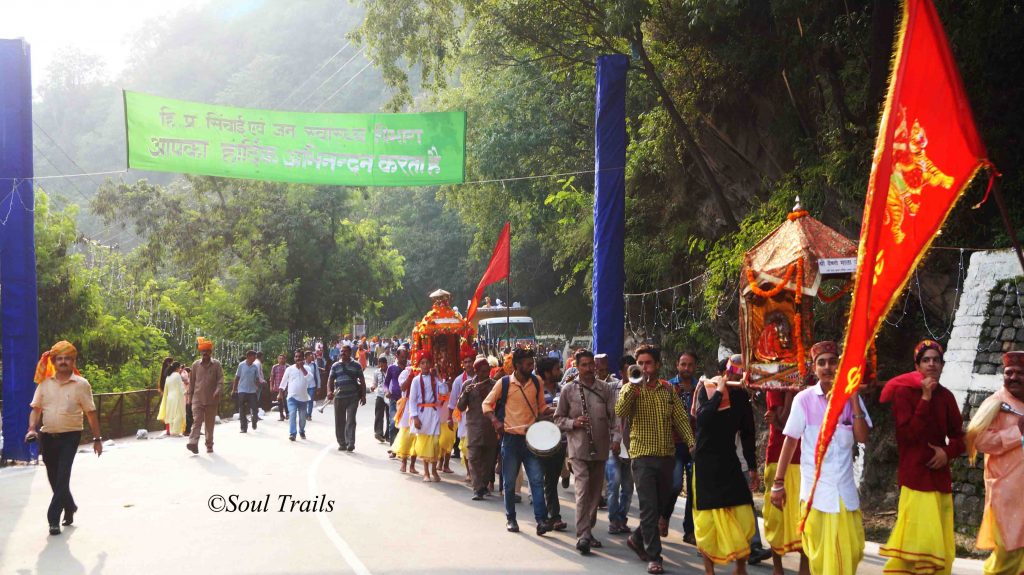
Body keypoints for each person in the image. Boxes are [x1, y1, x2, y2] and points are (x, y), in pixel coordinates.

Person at [770, 341, 871, 575]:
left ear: (840, 365)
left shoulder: (850, 399)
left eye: (833, 362)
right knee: (820, 560)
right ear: (814, 368)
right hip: (816, 496)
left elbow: (862, 437)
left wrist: (854, 399)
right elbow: (791, 441)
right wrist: (778, 483)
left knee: (853, 553)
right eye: (821, 363)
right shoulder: (803, 400)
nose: (827, 367)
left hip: (845, 496)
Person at [879, 340, 964, 575]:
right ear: (917, 366)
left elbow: (960, 438)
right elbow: (908, 436)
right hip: (915, 481)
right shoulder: (904, 394)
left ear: (942, 365)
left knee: (939, 552)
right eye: (926, 360)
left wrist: (946, 453)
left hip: (940, 482)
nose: (931, 364)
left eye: (936, 360)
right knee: (916, 550)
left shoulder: (947, 397)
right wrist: (925, 399)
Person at [616, 345, 696, 575]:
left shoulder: (668, 389)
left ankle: (637, 537)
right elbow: (620, 411)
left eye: (648, 363)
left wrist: (691, 442)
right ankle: (655, 557)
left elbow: (681, 418)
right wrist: (633, 386)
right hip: (641, 456)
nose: (643, 367)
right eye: (639, 363)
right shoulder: (630, 388)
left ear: (658, 365)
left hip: (666, 456)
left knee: (663, 503)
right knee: (649, 507)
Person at [26, 341, 103, 535]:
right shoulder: (44, 383)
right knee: (54, 478)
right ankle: (70, 506)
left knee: (63, 476)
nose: (63, 362)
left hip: (71, 436)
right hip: (47, 436)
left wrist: (97, 438)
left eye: (67, 358)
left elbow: (91, 413)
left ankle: (53, 518)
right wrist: (32, 428)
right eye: (59, 358)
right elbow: (36, 408)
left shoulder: (81, 384)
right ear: (53, 361)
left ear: (73, 361)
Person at [691, 371, 758, 574]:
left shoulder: (742, 398)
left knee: (743, 514)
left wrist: (753, 467)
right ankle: (709, 570)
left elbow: (748, 433)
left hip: (729, 461)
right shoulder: (708, 388)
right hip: (705, 465)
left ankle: (740, 568)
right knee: (707, 522)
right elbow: (704, 418)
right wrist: (719, 391)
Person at [482, 347, 553, 535]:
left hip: (531, 439)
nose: (532, 367)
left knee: (537, 480)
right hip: (511, 440)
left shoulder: (537, 382)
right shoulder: (504, 383)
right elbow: (486, 405)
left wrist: (555, 409)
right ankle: (511, 519)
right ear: (517, 365)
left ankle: (541, 520)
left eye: (532, 363)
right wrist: (495, 421)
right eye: (528, 364)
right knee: (509, 483)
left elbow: (541, 408)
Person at [965, 350, 1024, 575]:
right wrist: (1015, 432)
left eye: (1020, 373)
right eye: (1009, 372)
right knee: (1006, 557)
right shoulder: (996, 403)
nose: (1014, 377)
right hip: (1006, 496)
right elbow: (977, 439)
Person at [555, 350, 617, 555]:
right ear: (577, 367)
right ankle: (583, 535)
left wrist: (616, 440)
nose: (589, 369)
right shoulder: (568, 390)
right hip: (578, 448)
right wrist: (574, 423)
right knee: (582, 491)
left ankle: (587, 531)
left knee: (594, 494)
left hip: (600, 448)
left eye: (592, 365)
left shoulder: (606, 389)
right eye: (584, 365)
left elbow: (615, 418)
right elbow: (558, 419)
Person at [762, 383, 807, 575]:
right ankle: (777, 569)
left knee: (805, 515)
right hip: (778, 456)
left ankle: (805, 570)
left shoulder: (813, 386)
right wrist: (790, 390)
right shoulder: (775, 385)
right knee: (776, 517)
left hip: (806, 458)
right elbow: (784, 423)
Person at [667, 350, 699, 544]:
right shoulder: (669, 387)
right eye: (683, 364)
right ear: (677, 365)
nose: (686, 368)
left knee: (695, 489)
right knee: (675, 484)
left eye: (690, 365)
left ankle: (690, 531)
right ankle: (664, 516)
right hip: (675, 443)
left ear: (694, 367)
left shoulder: (701, 388)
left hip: (695, 444)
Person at [458, 357, 499, 500]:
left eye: (488, 371)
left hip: (490, 427)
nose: (486, 374)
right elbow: (460, 407)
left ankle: (484, 483)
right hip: (474, 426)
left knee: (489, 459)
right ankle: (477, 488)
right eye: (482, 372)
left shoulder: (494, 385)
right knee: (473, 457)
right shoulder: (467, 385)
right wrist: (465, 394)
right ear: (476, 371)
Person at [537, 355, 569, 532]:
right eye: (557, 369)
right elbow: (534, 413)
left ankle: (551, 515)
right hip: (541, 440)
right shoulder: (536, 390)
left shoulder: (563, 389)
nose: (560, 371)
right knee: (544, 479)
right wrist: (546, 414)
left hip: (561, 440)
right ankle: (552, 516)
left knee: (551, 479)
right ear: (547, 373)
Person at [607, 354, 636, 535]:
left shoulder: (642, 390)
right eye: (627, 369)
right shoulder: (611, 389)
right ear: (621, 371)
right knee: (613, 484)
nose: (631, 372)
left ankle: (622, 518)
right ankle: (613, 520)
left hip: (633, 445)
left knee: (628, 487)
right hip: (614, 443)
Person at [409, 352, 443, 482]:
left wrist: (439, 377)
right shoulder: (416, 380)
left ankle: (434, 469)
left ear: (431, 364)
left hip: (434, 413)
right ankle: (426, 472)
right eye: (422, 363)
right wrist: (415, 417)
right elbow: (412, 401)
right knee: (424, 443)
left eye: (427, 362)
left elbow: (444, 391)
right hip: (422, 414)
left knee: (434, 443)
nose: (425, 365)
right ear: (419, 364)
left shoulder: (435, 379)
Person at [187, 337, 224, 455]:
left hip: (212, 400)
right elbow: (191, 382)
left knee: (209, 424)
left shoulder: (216, 364)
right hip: (197, 398)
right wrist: (189, 397)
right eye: (203, 352)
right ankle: (193, 442)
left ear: (210, 353)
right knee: (196, 420)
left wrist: (218, 390)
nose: (205, 354)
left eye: (207, 352)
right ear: (200, 352)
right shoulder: (195, 365)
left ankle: (209, 444)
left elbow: (220, 380)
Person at [327, 345, 366, 452]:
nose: (342, 353)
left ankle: (350, 442)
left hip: (353, 397)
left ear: (350, 353)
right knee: (339, 421)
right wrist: (329, 392)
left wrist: (363, 395)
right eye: (341, 351)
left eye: (345, 351)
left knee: (351, 420)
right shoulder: (335, 366)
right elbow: (330, 380)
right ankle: (342, 443)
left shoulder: (356, 365)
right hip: (339, 397)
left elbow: (362, 380)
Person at [281, 349, 312, 441]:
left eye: (300, 357)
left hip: (303, 398)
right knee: (292, 414)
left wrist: (302, 367)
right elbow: (283, 382)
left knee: (302, 418)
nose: (298, 358)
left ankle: (301, 431)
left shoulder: (308, 368)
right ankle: (293, 434)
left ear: (303, 358)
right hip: (292, 397)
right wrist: (280, 393)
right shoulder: (289, 369)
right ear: (294, 358)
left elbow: (309, 379)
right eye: (296, 356)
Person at [232, 350, 262, 433]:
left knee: (255, 409)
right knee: (242, 410)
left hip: (252, 391)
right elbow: (237, 378)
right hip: (242, 390)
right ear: (248, 357)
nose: (255, 358)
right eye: (254, 357)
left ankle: (254, 420)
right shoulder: (241, 365)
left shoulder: (255, 367)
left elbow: (256, 378)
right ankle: (243, 427)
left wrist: (258, 385)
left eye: (255, 357)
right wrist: (234, 389)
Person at [158, 361, 186, 436]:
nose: (180, 369)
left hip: (169, 397)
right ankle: (176, 432)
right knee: (178, 414)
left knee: (171, 414)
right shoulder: (177, 375)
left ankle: (171, 431)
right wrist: (185, 393)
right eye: (179, 367)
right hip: (176, 397)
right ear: (177, 368)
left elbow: (166, 389)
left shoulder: (168, 376)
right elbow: (180, 387)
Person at [371, 356, 389, 443]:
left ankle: (388, 435)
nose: (381, 366)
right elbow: (375, 382)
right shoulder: (376, 372)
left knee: (389, 415)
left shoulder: (390, 371)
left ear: (386, 364)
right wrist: (373, 387)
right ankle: (378, 433)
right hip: (380, 395)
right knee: (378, 414)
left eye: (382, 364)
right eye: (379, 364)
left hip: (389, 395)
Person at [304, 350, 322, 421]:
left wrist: (319, 386)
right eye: (310, 355)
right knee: (304, 400)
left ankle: (309, 415)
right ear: (306, 357)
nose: (312, 357)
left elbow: (317, 376)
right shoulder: (302, 364)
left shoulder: (314, 365)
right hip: (304, 386)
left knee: (310, 400)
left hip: (312, 385)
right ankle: (305, 414)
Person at [270, 354, 288, 421]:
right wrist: (271, 386)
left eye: (282, 358)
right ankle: (281, 415)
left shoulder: (287, 367)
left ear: (285, 359)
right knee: (279, 401)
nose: (281, 360)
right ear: (277, 359)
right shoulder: (275, 367)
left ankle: (287, 413)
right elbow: (272, 377)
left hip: (286, 387)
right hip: (277, 386)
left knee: (285, 400)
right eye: (279, 358)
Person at [181, 366, 193, 434]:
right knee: (188, 415)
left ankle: (187, 430)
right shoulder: (187, 380)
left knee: (188, 415)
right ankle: (187, 430)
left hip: (186, 399)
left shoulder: (185, 380)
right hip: (187, 400)